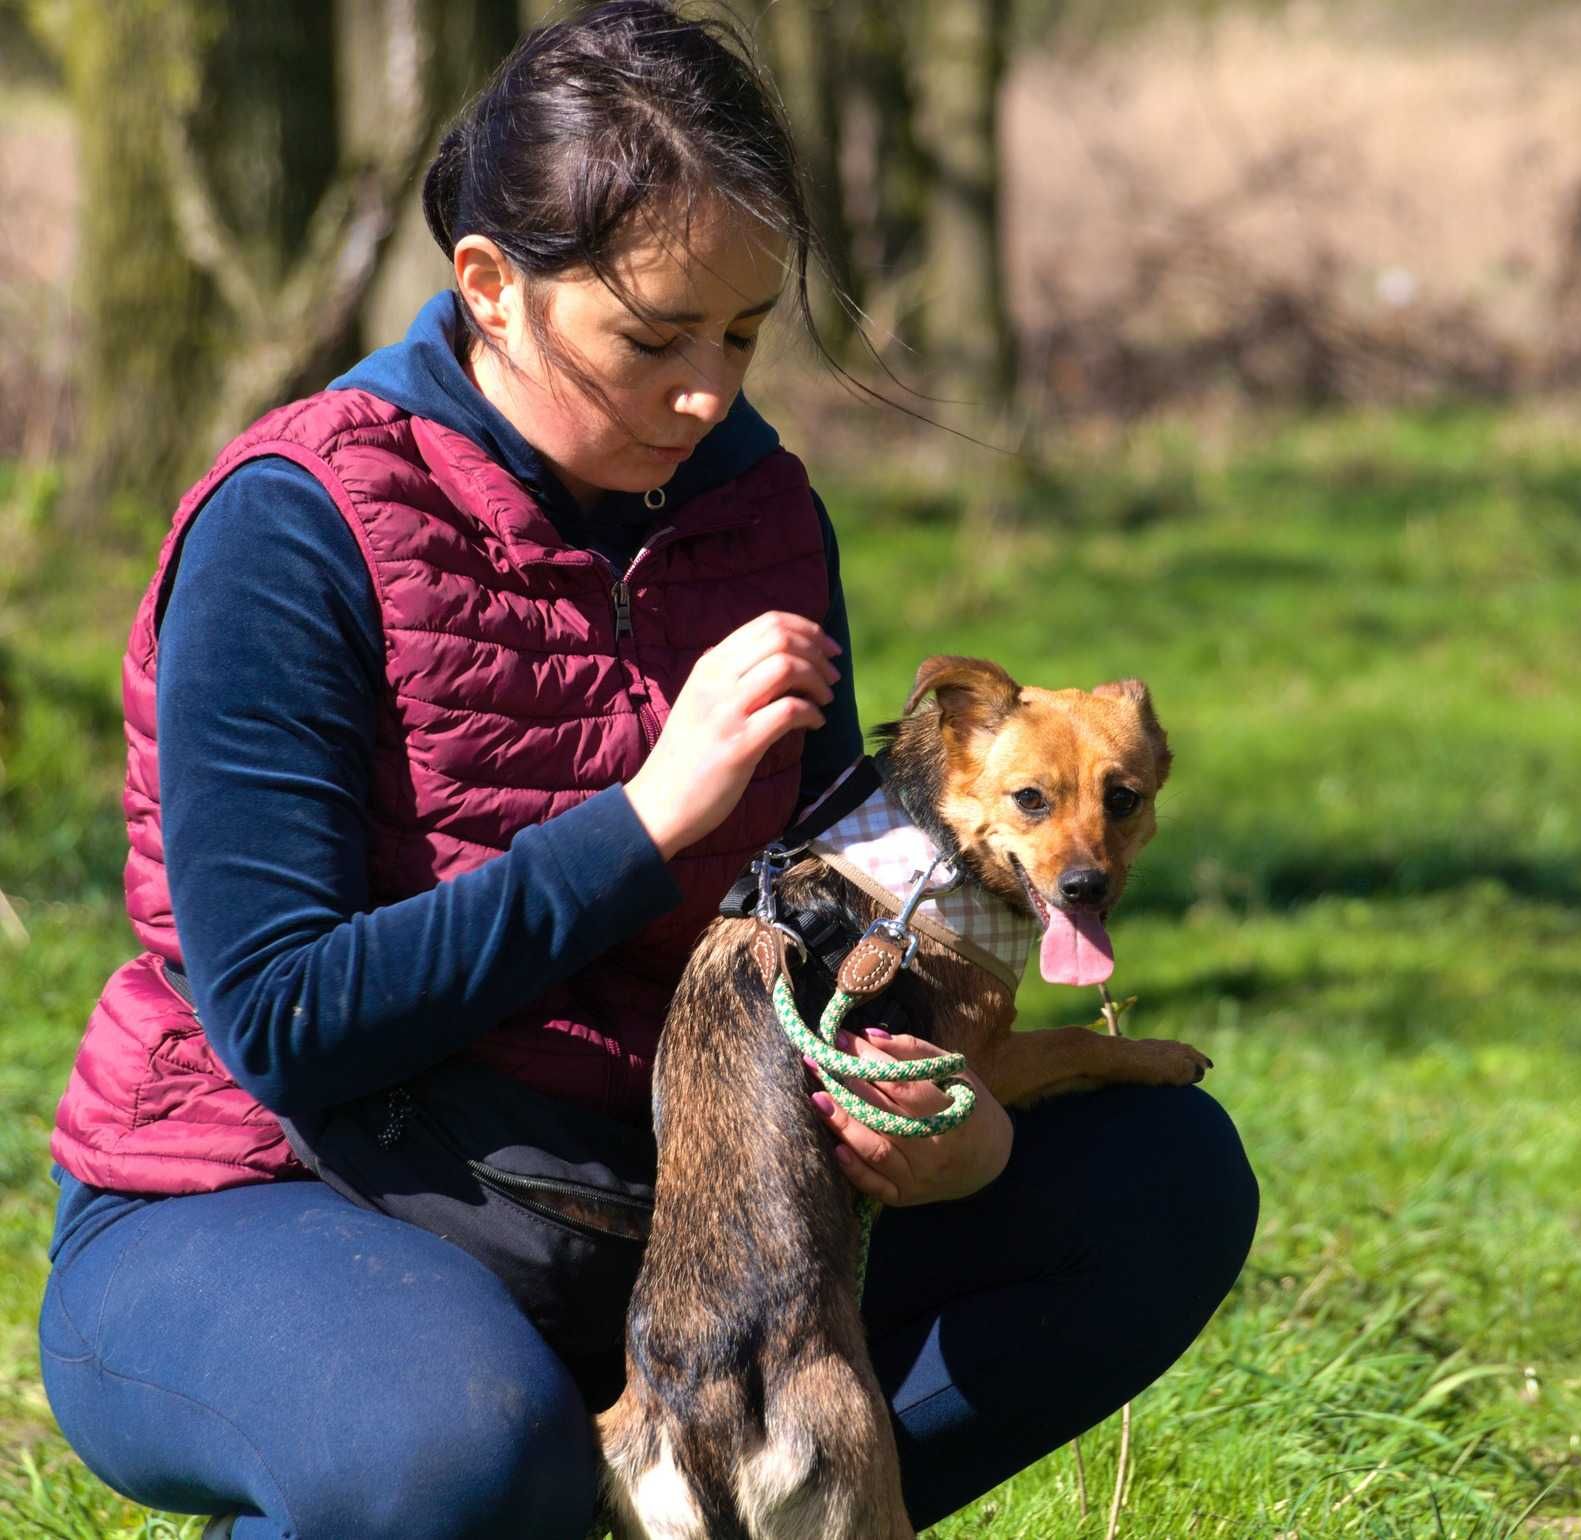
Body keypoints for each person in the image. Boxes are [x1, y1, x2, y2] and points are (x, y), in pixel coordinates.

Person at [36, 5, 1259, 1537]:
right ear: (489, 286)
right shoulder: (292, 528)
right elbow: (282, 1021)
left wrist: (949, 1121)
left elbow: (826, 911)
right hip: (279, 1200)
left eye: (743, 336)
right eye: (654, 336)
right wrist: (639, 827)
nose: (707, 392)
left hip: (670, 1203)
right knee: (462, 1456)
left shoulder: (759, 511)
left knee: (1158, 1184)